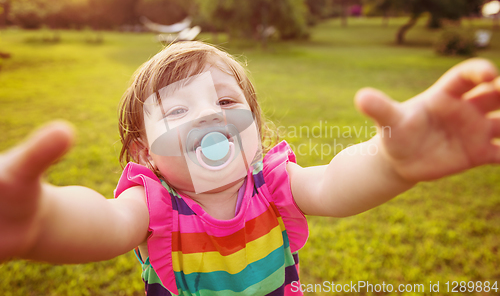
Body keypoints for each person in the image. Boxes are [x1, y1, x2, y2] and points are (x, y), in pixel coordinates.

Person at [1, 41, 499, 295]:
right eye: (176, 111)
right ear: (143, 153)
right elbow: (103, 223)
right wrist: (43, 222)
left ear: (256, 128)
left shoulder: (275, 182)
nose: (208, 115)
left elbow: (334, 183)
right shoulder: (151, 204)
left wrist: (391, 160)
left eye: (224, 99)